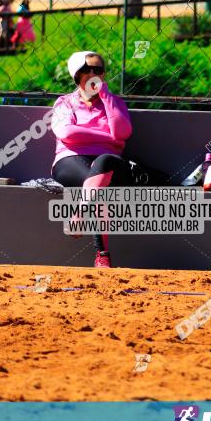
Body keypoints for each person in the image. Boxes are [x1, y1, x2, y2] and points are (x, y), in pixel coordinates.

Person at [51, 51, 134, 268]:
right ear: (76, 75)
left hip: (108, 163)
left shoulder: (114, 102)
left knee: (103, 162)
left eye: (98, 70)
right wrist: (108, 137)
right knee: (98, 186)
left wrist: (106, 98)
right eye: (86, 69)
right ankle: (103, 255)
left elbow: (123, 132)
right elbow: (66, 133)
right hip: (71, 160)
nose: (92, 74)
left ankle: (80, 213)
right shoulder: (64, 102)